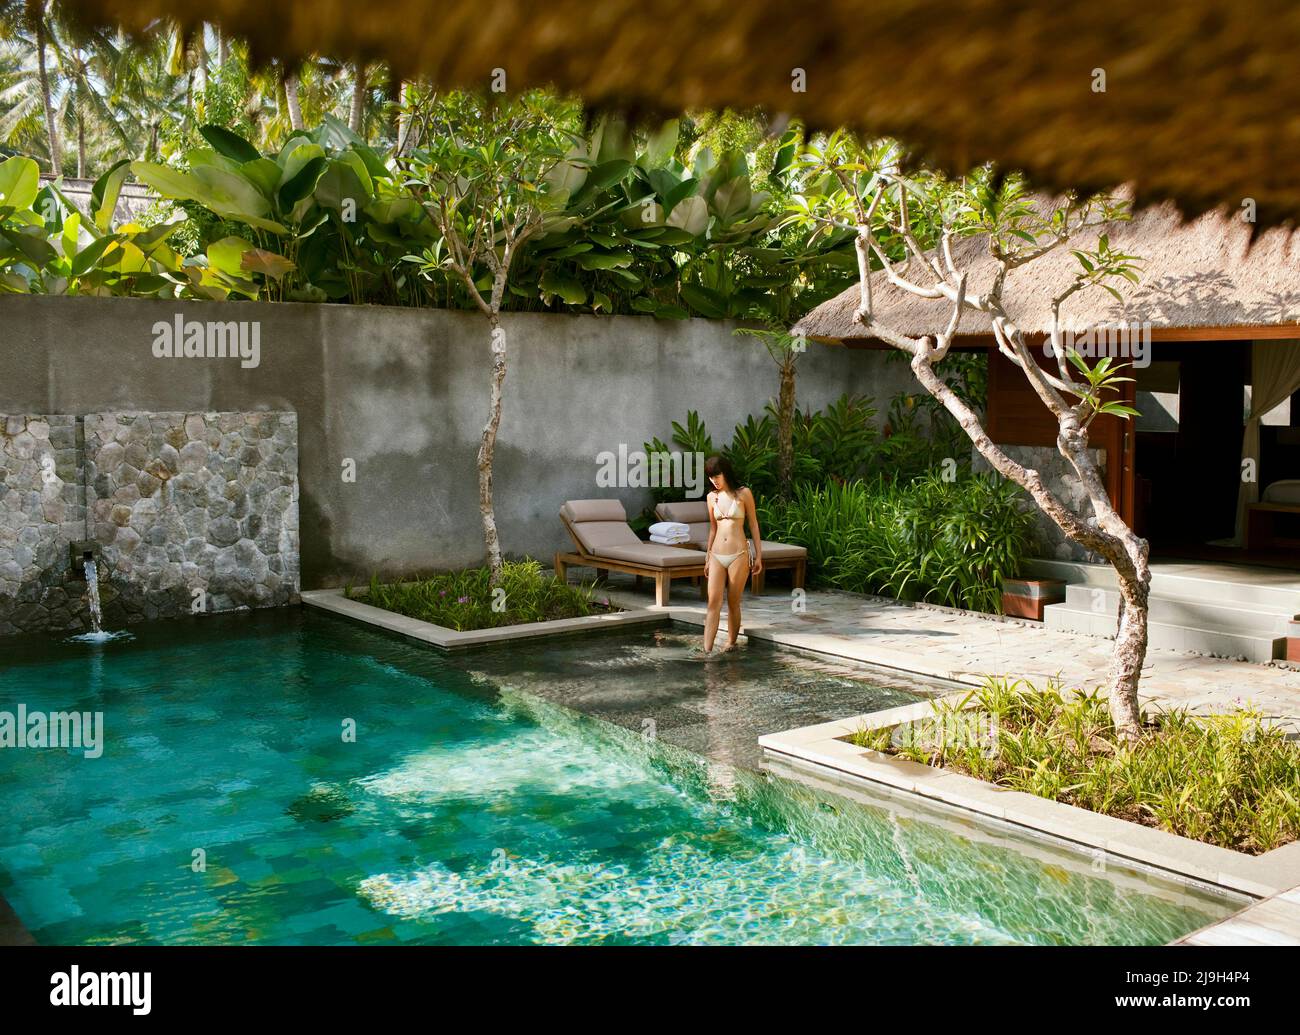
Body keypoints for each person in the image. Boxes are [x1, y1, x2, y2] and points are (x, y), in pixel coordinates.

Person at [701, 455, 762, 653]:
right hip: (717, 554)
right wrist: (708, 557)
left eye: (717, 476)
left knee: (734, 601)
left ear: (726, 472)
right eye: (710, 478)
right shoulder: (711, 497)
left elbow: (753, 524)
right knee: (713, 602)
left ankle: (731, 643)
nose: (714, 481)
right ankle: (707, 651)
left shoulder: (744, 494)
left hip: (739, 554)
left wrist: (759, 555)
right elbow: (712, 529)